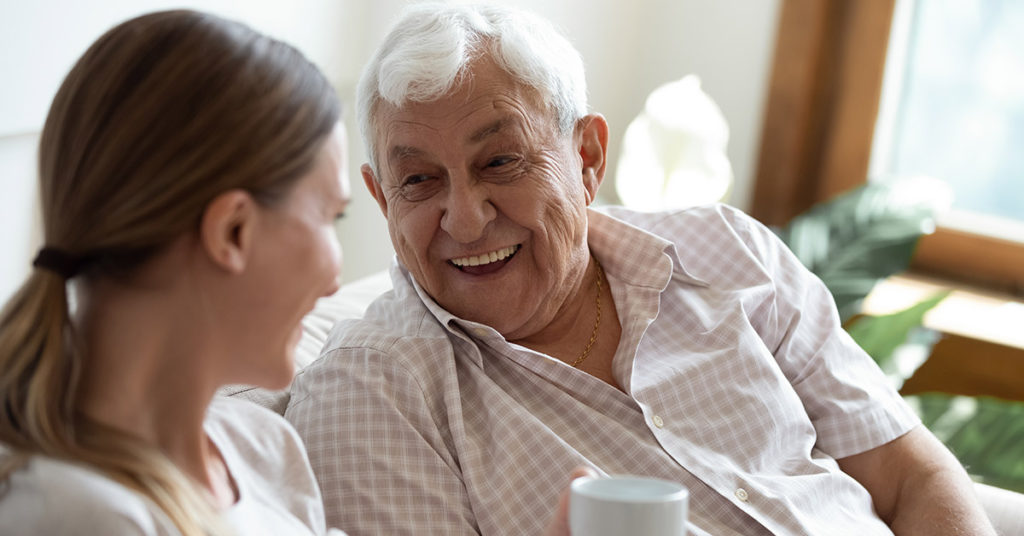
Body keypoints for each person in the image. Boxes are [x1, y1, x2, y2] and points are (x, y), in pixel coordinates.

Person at [284, 3, 997, 535]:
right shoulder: (373, 391)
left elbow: (911, 478)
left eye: (500, 161)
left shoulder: (726, 253)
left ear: (588, 158)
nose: (465, 219)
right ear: (382, 198)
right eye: (420, 182)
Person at [0, 10, 352, 535]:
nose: (335, 283)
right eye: (330, 217)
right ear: (233, 231)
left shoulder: (261, 447)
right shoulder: (79, 515)